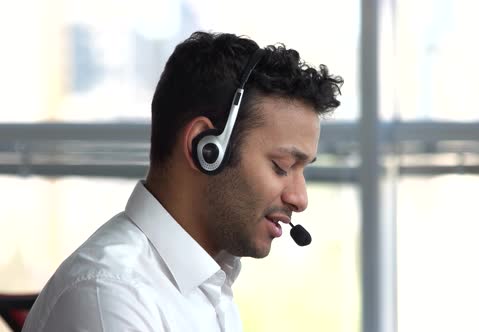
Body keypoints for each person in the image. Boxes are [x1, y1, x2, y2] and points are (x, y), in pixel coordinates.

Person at [22, 31, 343, 331]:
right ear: (205, 148)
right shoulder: (109, 294)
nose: (300, 199)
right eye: (281, 166)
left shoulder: (211, 285)